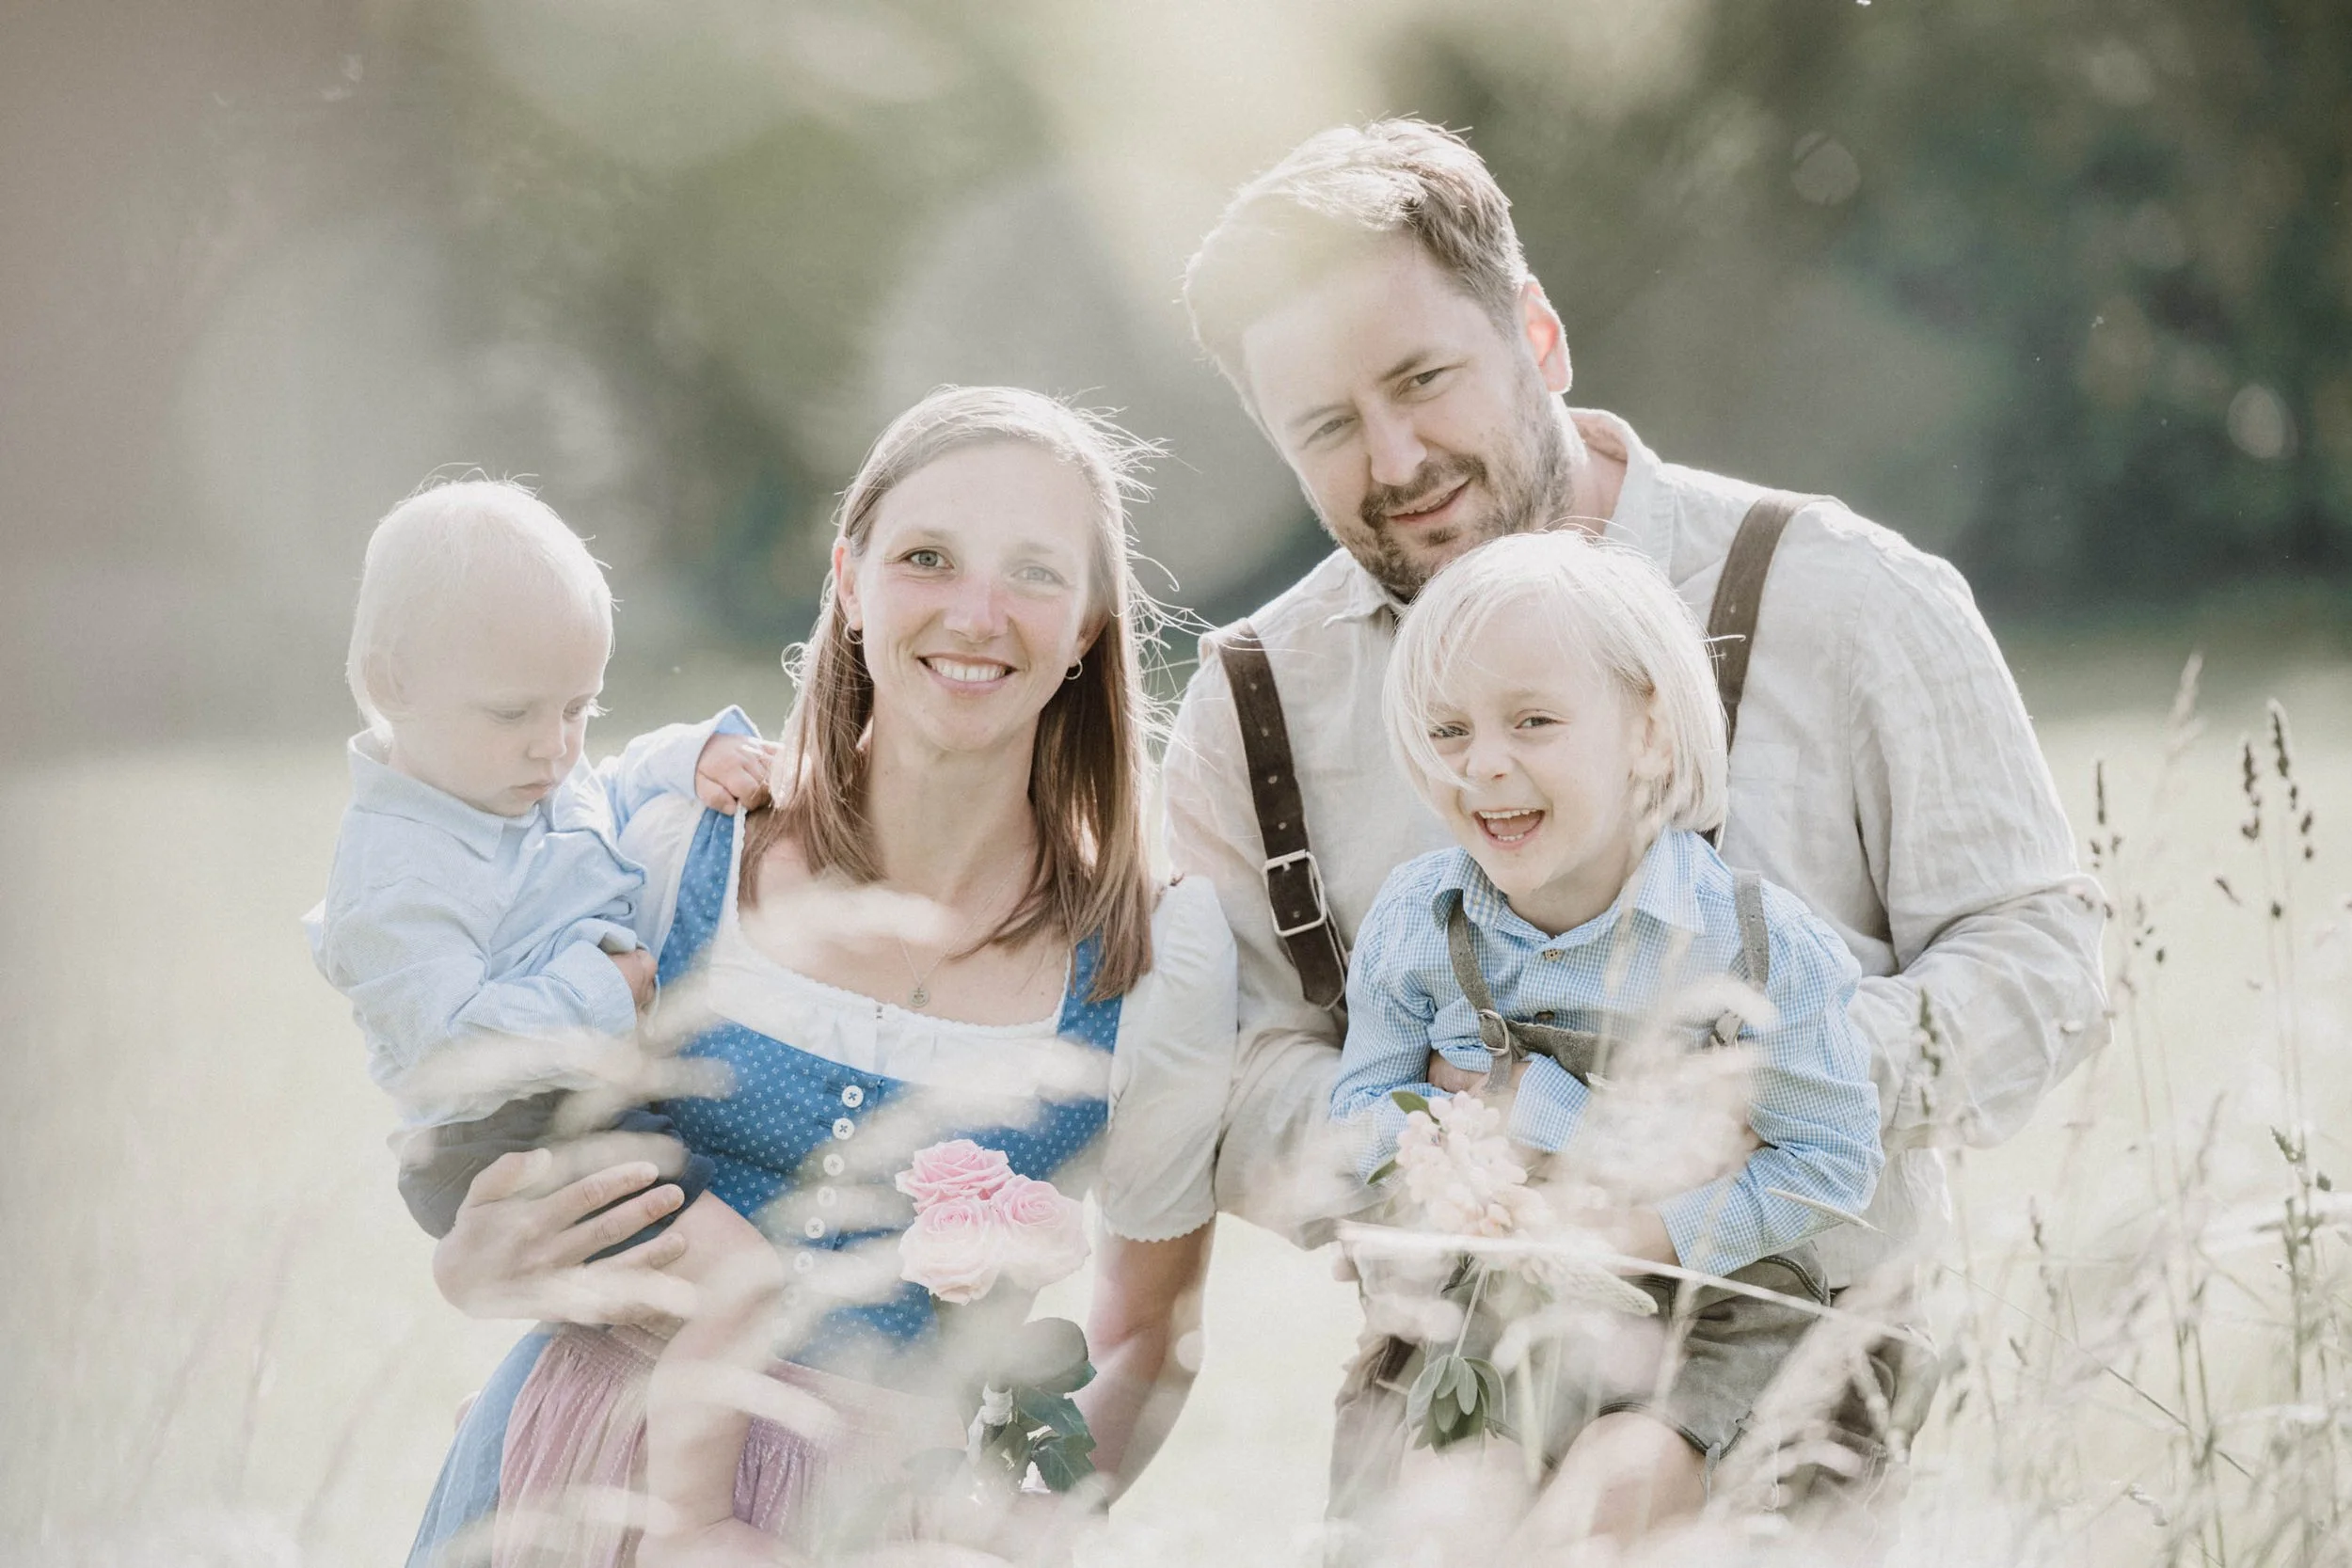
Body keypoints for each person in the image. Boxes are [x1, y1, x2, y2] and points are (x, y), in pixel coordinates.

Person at [1157, 119, 2108, 1515]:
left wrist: (1761, 1085)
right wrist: (1440, 1138)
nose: (1399, 453)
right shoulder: (1250, 705)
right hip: (1454, 1384)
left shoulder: (1844, 596)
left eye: (1426, 379)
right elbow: (1231, 1078)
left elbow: (2039, 953)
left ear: (1537, 339)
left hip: (1808, 1381)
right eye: (1328, 425)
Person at [404, 388, 1235, 1568]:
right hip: (577, 1476)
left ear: (1092, 621)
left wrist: (1016, 1533)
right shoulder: (671, 845)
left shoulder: (1155, 955)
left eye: (1035, 571)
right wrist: (468, 1261)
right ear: (849, 579)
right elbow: (480, 1111)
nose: (977, 612)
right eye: (927, 557)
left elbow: (1149, 1332)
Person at [1330, 530, 1883, 1549]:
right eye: (1447, 730)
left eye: (1533, 721)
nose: (1485, 763)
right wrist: (1435, 1160)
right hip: (1493, 1311)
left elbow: (1832, 1161)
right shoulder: (1423, 920)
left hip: (1714, 1314)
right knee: (1447, 1510)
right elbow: (1358, 1113)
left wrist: (1616, 1205)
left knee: (1600, 1507)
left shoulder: (1756, 947)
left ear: (1648, 734)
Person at [307, 478, 795, 1565]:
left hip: (576, 1097)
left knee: (667, 1308)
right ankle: (693, 1520)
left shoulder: (517, 778)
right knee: (742, 1279)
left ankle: (544, 1439)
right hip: (510, 1127)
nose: (557, 745)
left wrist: (693, 754)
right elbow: (449, 1045)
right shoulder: (393, 877)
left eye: (580, 706)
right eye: (518, 712)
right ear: (396, 684)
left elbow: (609, 794)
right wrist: (602, 988)